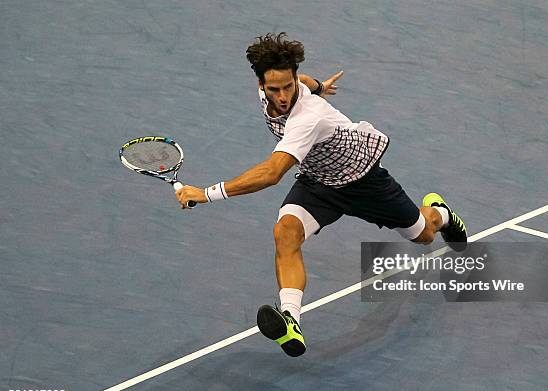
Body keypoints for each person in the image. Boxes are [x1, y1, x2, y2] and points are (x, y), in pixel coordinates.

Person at [176, 32, 467, 357]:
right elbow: (303, 80)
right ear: (261, 86)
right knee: (285, 232)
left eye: (289, 87)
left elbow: (272, 174)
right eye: (275, 89)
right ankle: (290, 320)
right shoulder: (278, 86)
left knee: (423, 236)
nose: (284, 95)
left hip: (365, 182)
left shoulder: (308, 118)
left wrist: (206, 193)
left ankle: (439, 211)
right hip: (318, 181)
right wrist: (317, 86)